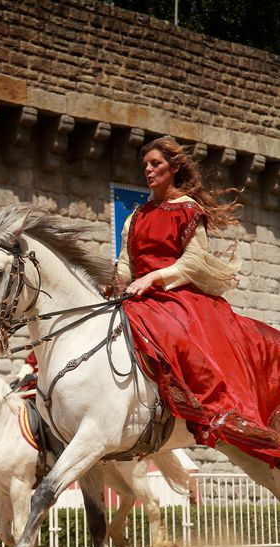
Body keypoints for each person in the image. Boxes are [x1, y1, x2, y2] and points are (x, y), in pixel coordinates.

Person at [117, 136, 280, 468]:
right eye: (145, 165)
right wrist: (114, 281)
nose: (148, 170)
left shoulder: (188, 209)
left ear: (174, 168)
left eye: (156, 164)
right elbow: (125, 264)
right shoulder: (136, 216)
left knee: (178, 336)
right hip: (140, 296)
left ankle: (218, 410)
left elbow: (193, 262)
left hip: (177, 295)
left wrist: (154, 278)